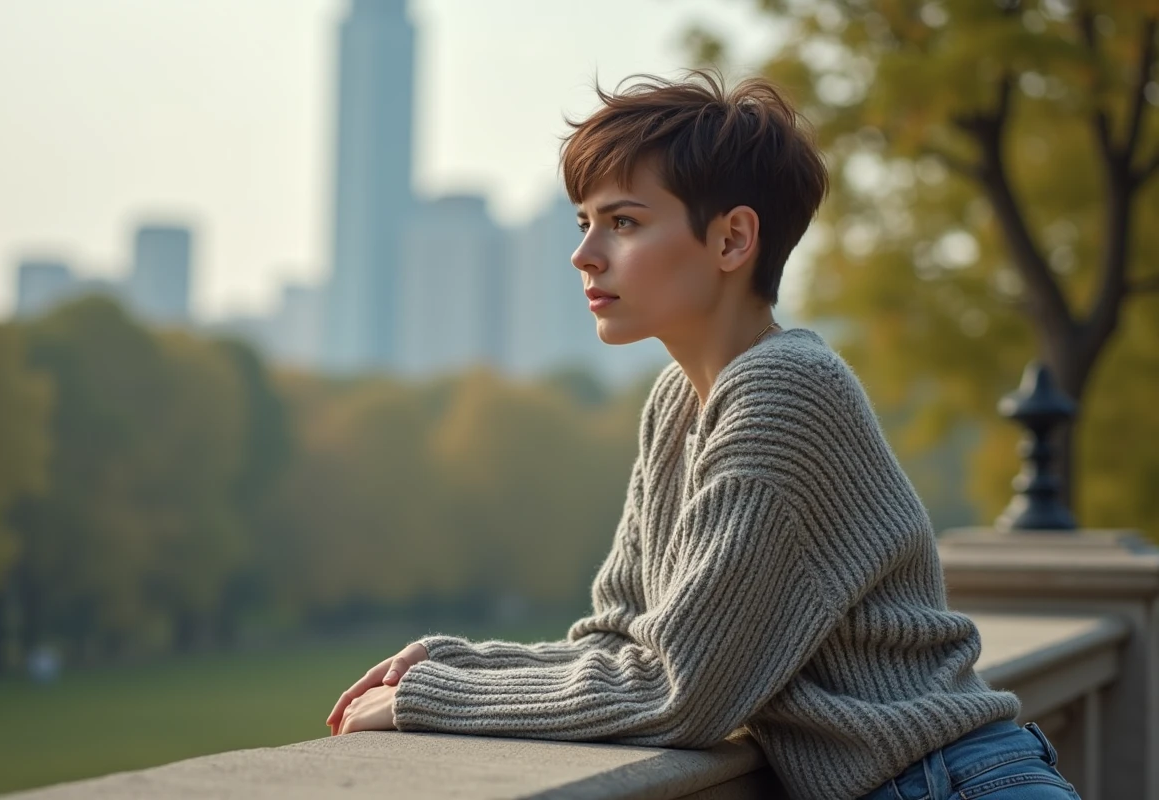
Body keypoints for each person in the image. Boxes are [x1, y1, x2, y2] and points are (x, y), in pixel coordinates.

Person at [325, 70, 1081, 800]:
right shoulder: (681, 403)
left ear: (732, 240)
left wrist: (434, 698)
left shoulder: (784, 393)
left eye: (623, 223)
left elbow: (680, 694)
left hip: (952, 784)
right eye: (584, 222)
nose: (584, 253)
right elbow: (623, 645)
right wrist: (459, 662)